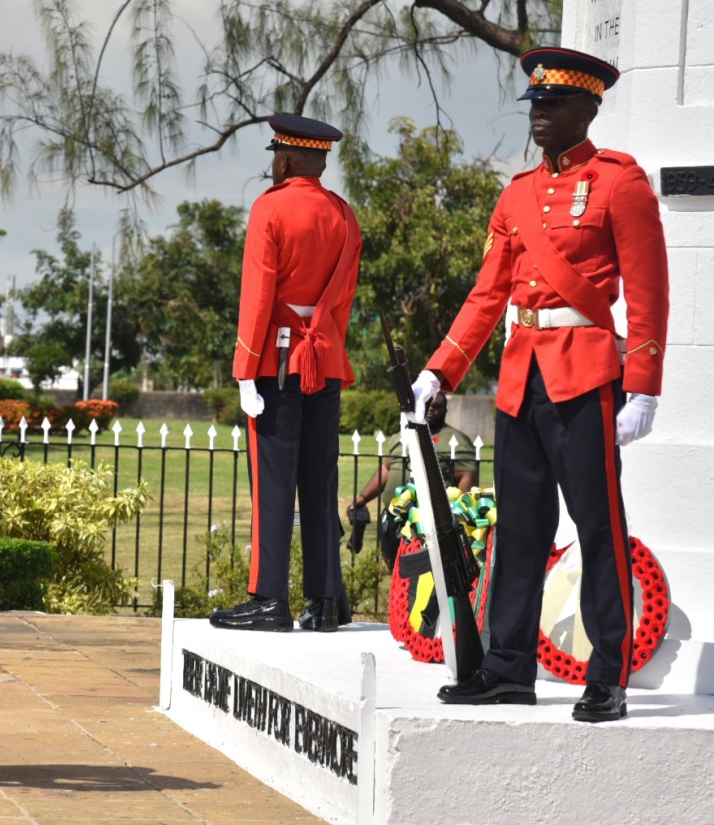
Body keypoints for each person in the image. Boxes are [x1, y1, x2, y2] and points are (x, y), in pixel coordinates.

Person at [411, 47, 668, 723]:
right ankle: (507, 669)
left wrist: (643, 386)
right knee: (520, 530)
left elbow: (649, 292)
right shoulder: (518, 194)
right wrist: (441, 367)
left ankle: (607, 674)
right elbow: (486, 295)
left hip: (584, 375)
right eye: (535, 103)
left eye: (553, 104)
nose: (539, 114)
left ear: (588, 108)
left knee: (598, 528)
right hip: (521, 376)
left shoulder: (620, 183)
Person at [210, 114, 361, 633]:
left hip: (275, 362)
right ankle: (325, 602)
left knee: (273, 485)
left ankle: (269, 598)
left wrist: (244, 369)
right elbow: (343, 299)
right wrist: (325, 346)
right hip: (325, 360)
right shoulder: (344, 215)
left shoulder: (269, 208)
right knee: (320, 481)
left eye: (277, 155)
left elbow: (257, 296)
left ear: (287, 160)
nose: (274, 163)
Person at [348, 392, 479, 569]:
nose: (431, 409)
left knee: (426, 574)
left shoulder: (456, 441)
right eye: (427, 405)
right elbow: (386, 468)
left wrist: (456, 515)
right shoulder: (400, 436)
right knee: (395, 569)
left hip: (429, 522)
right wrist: (363, 498)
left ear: (445, 410)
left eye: (437, 406)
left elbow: (467, 475)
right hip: (394, 518)